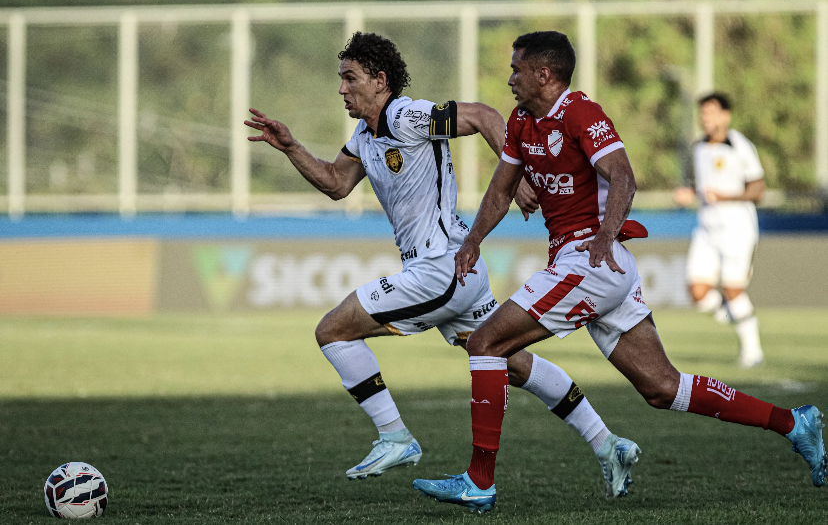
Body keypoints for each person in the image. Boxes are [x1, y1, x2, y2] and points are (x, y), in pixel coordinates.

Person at [413, 31, 826, 513]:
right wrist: (472, 240)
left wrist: (605, 235)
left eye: (516, 69)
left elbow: (623, 175)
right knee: (661, 387)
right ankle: (794, 423)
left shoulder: (581, 113)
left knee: (485, 342)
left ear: (543, 74)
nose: (509, 79)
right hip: (589, 264)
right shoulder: (523, 121)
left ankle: (479, 481)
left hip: (590, 260)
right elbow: (502, 190)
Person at [244, 31, 640, 494]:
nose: (341, 89)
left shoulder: (406, 114)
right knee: (508, 360)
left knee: (332, 330)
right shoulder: (366, 133)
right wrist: (291, 147)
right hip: (455, 271)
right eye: (341, 80)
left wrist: (520, 179)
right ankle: (606, 442)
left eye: (350, 78)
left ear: (379, 79)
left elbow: (484, 116)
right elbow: (336, 183)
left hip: (438, 269)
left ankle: (394, 436)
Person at [673, 93, 765, 368]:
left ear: (726, 115)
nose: (706, 119)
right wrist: (687, 194)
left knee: (733, 289)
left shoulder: (739, 146)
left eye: (711, 113)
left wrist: (723, 197)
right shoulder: (698, 147)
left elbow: (757, 190)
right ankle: (740, 318)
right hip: (707, 228)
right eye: (703, 113)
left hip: (737, 228)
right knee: (698, 292)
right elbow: (696, 187)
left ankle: (753, 350)